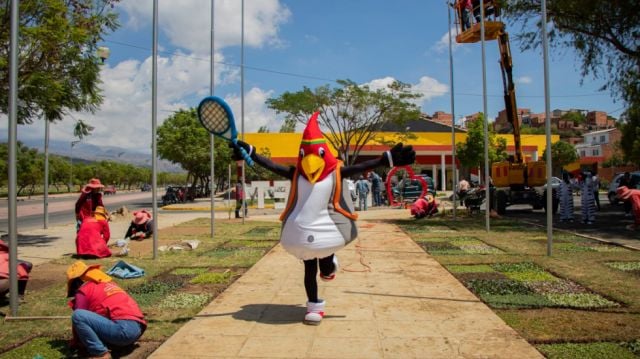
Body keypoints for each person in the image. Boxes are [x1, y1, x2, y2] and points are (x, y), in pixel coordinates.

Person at [229, 111, 415, 325]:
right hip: (303, 231)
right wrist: (251, 153)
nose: (310, 162)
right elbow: (271, 165)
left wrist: (387, 159)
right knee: (309, 269)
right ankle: (314, 306)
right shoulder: (296, 174)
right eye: (305, 154)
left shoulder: (335, 173)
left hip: (326, 232)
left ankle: (330, 264)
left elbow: (361, 167)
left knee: (325, 268)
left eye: (316, 154)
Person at [66, 261, 146, 359]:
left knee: (78, 315)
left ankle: (100, 353)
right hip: (138, 329)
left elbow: (79, 320)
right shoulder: (108, 285)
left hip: (123, 331)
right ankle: (116, 345)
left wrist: (76, 344)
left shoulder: (83, 291)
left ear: (76, 282)